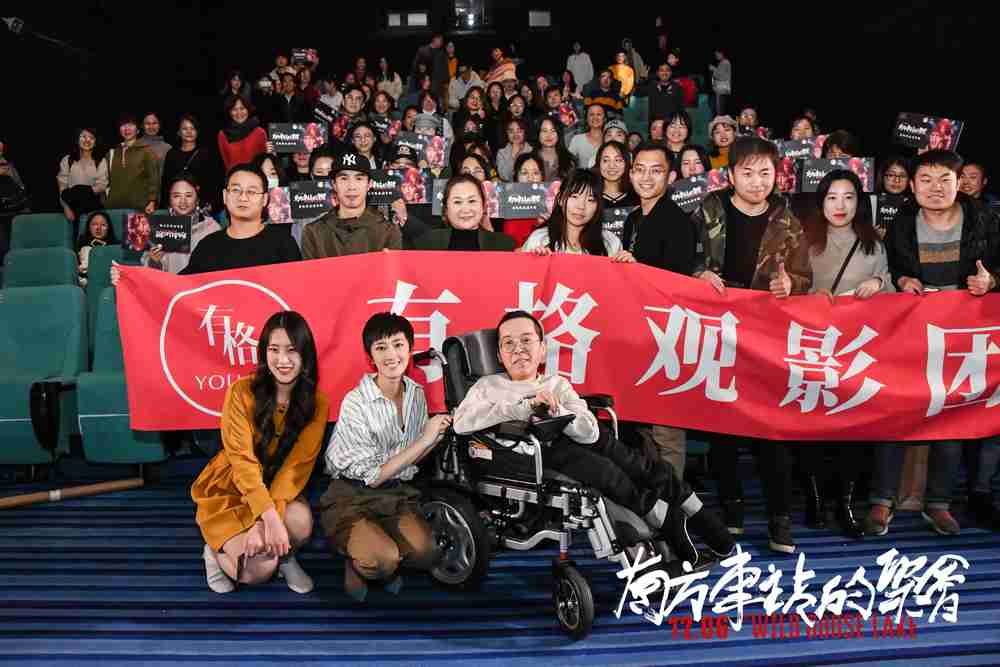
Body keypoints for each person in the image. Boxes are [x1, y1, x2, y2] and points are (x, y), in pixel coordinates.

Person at [453, 310, 736, 571]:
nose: (518, 349)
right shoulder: (488, 386)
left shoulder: (557, 384)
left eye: (526, 340)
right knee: (608, 473)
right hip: (534, 451)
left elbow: (589, 432)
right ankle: (666, 520)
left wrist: (558, 412)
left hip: (580, 437)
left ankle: (711, 529)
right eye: (508, 343)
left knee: (649, 468)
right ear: (499, 355)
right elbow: (462, 423)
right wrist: (522, 407)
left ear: (542, 349)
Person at [865, 150, 1000, 537]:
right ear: (912, 185)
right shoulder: (902, 221)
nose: (935, 188)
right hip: (912, 331)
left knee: (952, 415)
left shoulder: (986, 220)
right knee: (895, 411)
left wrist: (991, 281)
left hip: (964, 334)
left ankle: (938, 503)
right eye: (926, 179)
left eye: (945, 180)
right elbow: (892, 266)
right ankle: (882, 500)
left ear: (960, 183)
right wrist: (903, 280)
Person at [690, 136, 811, 553]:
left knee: (771, 427)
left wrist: (790, 285)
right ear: (730, 175)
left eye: (765, 173)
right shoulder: (708, 210)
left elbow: (805, 277)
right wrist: (698, 273)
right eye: (747, 172)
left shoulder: (787, 220)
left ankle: (780, 517)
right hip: (718, 331)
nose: (757, 181)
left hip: (767, 337)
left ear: (776, 175)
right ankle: (732, 507)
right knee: (723, 425)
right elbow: (685, 259)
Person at [192, 311, 328, 594]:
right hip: (231, 488)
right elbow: (242, 463)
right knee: (258, 572)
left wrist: (266, 522)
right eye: (274, 350)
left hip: (277, 488)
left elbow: (295, 469)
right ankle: (214, 552)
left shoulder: (317, 402)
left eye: (292, 350)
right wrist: (267, 519)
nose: (282, 360)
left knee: (300, 523)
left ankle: (285, 556)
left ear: (306, 355)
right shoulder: (240, 392)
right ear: (264, 353)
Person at [320, 313, 449, 600]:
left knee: (428, 552)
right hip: (353, 494)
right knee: (381, 561)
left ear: (410, 349)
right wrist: (426, 439)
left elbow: (410, 457)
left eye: (398, 345)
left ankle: (379, 543)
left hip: (395, 493)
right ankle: (356, 557)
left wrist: (435, 438)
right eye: (381, 348)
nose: (391, 355)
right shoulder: (356, 401)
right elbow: (374, 477)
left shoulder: (416, 394)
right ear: (371, 358)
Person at [798, 170, 893, 537]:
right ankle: (815, 499)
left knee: (852, 429)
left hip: (857, 351)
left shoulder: (873, 244)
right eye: (832, 197)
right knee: (812, 425)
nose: (841, 205)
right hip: (813, 347)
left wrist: (878, 283)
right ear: (821, 202)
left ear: (860, 203)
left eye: (849, 197)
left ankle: (845, 502)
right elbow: (788, 287)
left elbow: (891, 288)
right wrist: (811, 297)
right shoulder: (804, 240)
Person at [177, 163, 300, 275]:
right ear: (225, 196)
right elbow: (184, 285)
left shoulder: (283, 243)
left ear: (265, 199)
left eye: (251, 192)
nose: (243, 198)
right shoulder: (207, 246)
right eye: (236, 190)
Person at [301, 150, 401, 259]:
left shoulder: (388, 232)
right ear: (334, 184)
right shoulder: (313, 232)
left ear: (369, 184)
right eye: (344, 179)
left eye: (359, 179)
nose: (351, 186)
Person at [521, 169, 631, 259]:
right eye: (574, 197)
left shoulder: (611, 243)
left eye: (590, 200)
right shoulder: (539, 240)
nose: (581, 206)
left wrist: (628, 267)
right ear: (560, 199)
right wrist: (535, 263)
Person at [141, 174, 222, 275]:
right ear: (170, 200)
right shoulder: (159, 228)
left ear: (197, 199)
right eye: (177, 196)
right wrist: (154, 261)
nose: (183, 201)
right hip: (170, 284)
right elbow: (149, 274)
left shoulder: (212, 228)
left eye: (188, 196)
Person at [413, 175, 515, 251]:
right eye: (457, 202)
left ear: (483, 205)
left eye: (472, 201)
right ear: (446, 209)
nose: (465, 209)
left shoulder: (504, 244)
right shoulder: (427, 243)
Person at [160, 114, 220, 212]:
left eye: (192, 128)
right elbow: (166, 182)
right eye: (185, 129)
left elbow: (214, 181)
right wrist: (166, 204)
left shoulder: (206, 153)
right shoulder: (172, 154)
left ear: (197, 132)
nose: (189, 132)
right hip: (177, 206)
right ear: (179, 132)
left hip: (201, 206)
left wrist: (211, 204)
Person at [105, 115, 158, 214]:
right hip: (113, 207)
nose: (127, 128)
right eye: (123, 125)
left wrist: (152, 201)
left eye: (131, 125)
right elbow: (104, 180)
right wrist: (105, 201)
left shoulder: (147, 151)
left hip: (139, 208)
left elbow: (153, 179)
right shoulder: (112, 153)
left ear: (138, 130)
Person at [57, 128, 108, 227]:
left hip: (93, 209)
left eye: (91, 138)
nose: (87, 140)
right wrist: (66, 208)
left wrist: (80, 190)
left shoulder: (100, 161)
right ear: (77, 139)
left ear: (95, 142)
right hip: (71, 208)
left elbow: (102, 186)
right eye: (83, 137)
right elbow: (62, 188)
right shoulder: (67, 160)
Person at [218, 96, 268, 173]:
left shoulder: (260, 132)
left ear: (248, 109)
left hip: (256, 177)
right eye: (234, 109)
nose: (239, 113)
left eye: (242, 108)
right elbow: (226, 163)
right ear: (229, 112)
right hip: (234, 177)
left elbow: (264, 162)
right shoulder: (223, 134)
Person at [76, 210, 117, 287]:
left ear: (108, 228)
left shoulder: (115, 247)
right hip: (87, 284)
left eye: (103, 225)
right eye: (94, 224)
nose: (98, 228)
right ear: (89, 227)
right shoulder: (83, 245)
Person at [535, 117, 577, 183]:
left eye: (553, 131)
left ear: (558, 134)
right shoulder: (530, 159)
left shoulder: (569, 161)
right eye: (544, 131)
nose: (548, 135)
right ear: (538, 134)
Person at [568, 104, 607, 170]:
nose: (595, 117)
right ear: (586, 119)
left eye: (599, 114)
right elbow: (569, 162)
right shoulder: (577, 139)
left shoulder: (609, 139)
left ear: (605, 119)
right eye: (591, 114)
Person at [496, 117, 533, 182]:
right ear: (507, 133)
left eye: (519, 131)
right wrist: (513, 156)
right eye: (511, 131)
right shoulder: (501, 153)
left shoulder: (531, 150)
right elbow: (504, 176)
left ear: (524, 132)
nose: (515, 134)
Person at [708, 49, 732, 116]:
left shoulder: (725, 62)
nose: (716, 56)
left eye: (717, 54)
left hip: (721, 90)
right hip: (720, 90)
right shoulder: (722, 63)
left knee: (720, 111)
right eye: (715, 55)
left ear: (721, 54)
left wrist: (713, 69)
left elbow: (722, 77)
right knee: (719, 109)